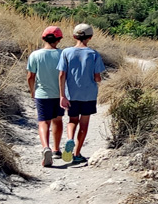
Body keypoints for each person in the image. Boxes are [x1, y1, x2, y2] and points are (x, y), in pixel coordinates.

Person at [58, 23, 105, 165]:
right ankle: (77, 153)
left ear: (74, 36)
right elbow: (97, 77)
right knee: (84, 124)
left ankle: (70, 139)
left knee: (72, 121)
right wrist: (98, 79)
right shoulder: (94, 54)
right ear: (90, 38)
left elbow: (61, 74)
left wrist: (62, 95)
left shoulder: (66, 52)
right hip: (89, 94)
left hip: (71, 94)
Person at [27, 26, 65, 167]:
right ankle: (56, 149)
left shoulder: (35, 55)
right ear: (59, 39)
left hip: (42, 94)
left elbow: (31, 76)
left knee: (43, 122)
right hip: (59, 94)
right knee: (58, 120)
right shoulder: (63, 54)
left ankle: (45, 147)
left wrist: (32, 91)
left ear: (43, 38)